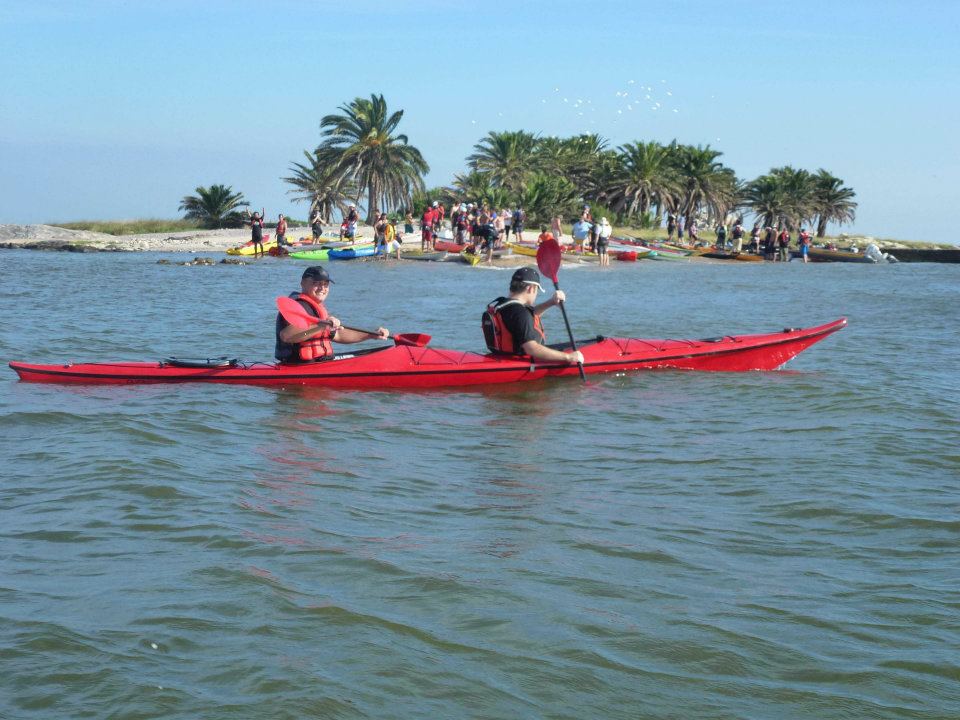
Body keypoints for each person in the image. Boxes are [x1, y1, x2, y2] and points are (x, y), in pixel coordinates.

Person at [275, 266, 389, 363]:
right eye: (316, 283)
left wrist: (370, 335)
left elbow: (338, 335)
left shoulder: (318, 308)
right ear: (303, 283)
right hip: (299, 366)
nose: (322, 288)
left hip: (322, 363)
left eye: (326, 284)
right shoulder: (296, 306)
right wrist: (321, 326)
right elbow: (286, 336)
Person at [481, 267, 584, 366]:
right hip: (519, 360)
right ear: (530, 289)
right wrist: (569, 357)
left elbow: (528, 316)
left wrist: (551, 302)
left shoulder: (502, 304)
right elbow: (531, 349)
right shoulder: (520, 313)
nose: (536, 294)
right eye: (537, 290)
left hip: (501, 356)